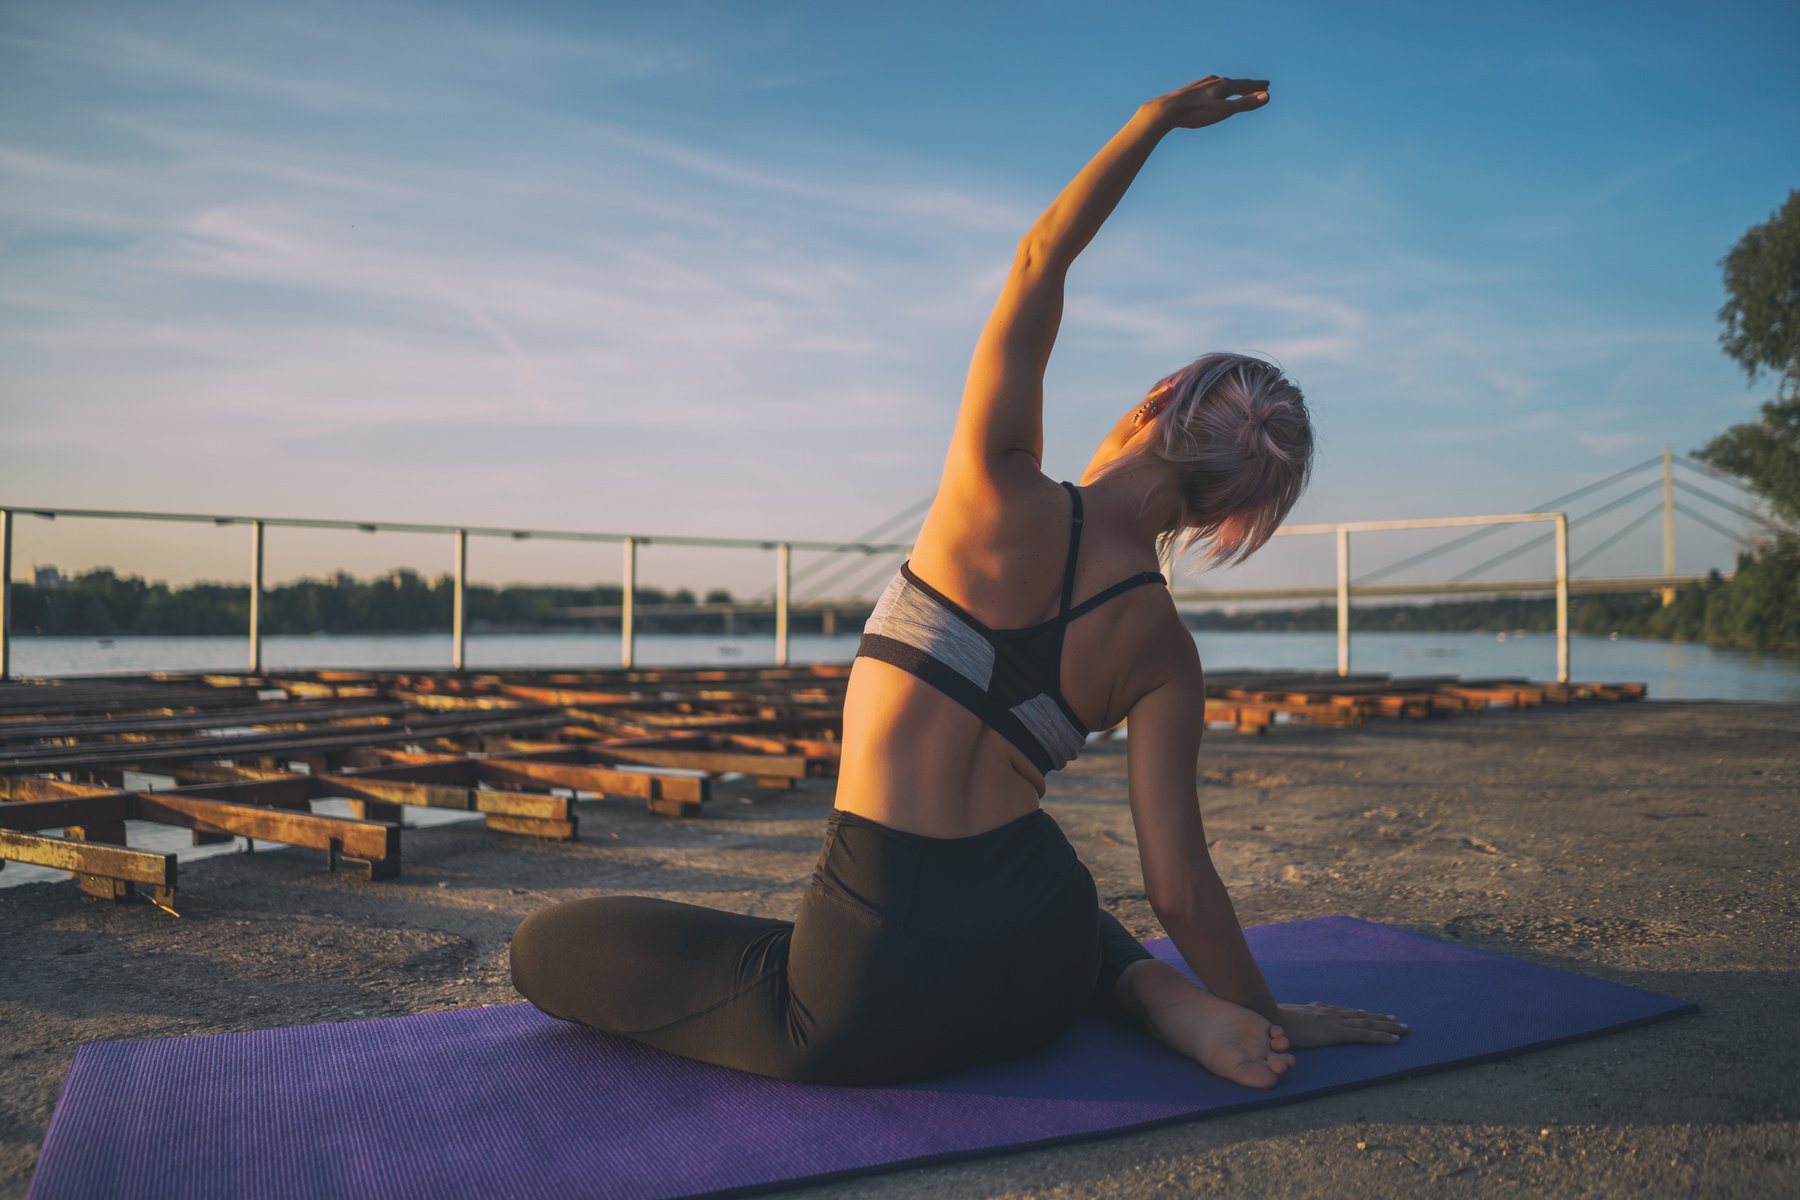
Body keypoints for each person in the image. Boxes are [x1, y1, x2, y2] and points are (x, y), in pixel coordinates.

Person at [510, 74, 1407, 1088]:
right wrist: (1266, 1016)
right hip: (1036, 967)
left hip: (863, 993)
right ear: (1226, 516)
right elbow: (1180, 887)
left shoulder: (992, 485)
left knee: (547, 944)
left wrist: (1152, 122)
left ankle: (1142, 994)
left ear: (1157, 399)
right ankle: (1155, 996)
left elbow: (1041, 257)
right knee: (1072, 902)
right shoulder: (1164, 651)